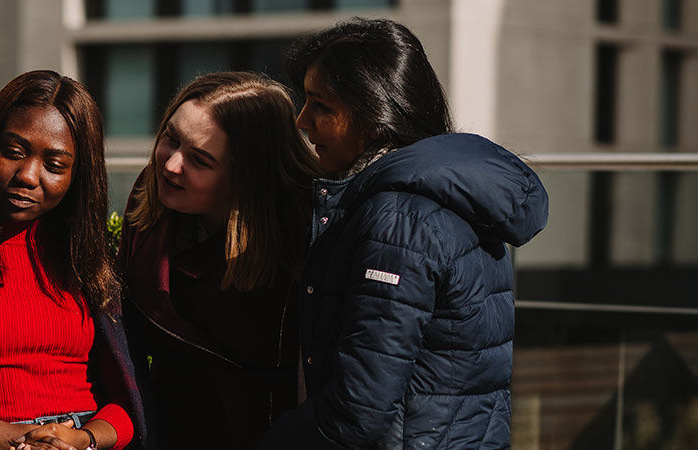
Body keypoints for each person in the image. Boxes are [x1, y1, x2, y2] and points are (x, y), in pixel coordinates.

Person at [258, 18, 550, 449]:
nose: (302, 121)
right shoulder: (444, 195)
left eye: (320, 106)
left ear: (374, 114)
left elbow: (360, 411)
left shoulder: (399, 217)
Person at [0, 70, 145, 450]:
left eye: (54, 165)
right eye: (13, 152)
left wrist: (83, 439)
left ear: (78, 175)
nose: (28, 176)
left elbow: (128, 405)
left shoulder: (88, 261)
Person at [119, 71, 324, 448]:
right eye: (171, 137)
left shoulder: (304, 236)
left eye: (199, 160)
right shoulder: (149, 202)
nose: (171, 165)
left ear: (248, 176)